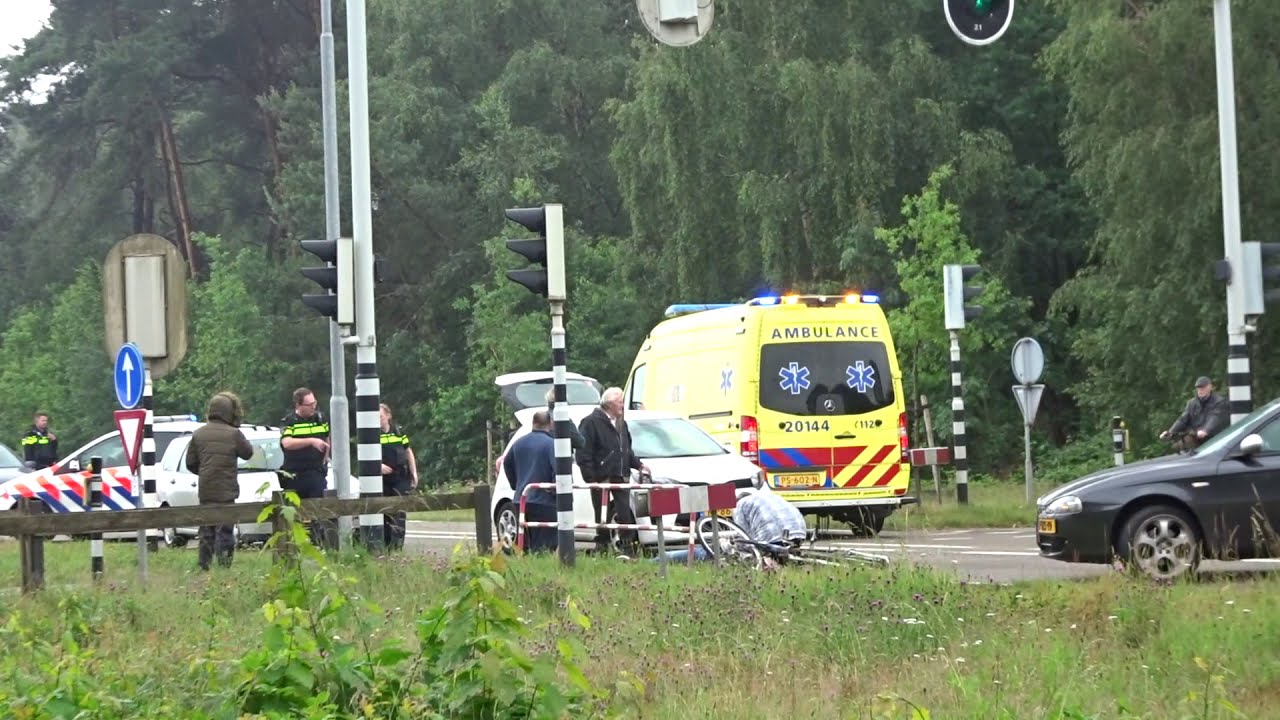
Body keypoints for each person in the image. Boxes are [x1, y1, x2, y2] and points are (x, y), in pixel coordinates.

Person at [185, 392, 254, 571]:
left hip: (206, 489)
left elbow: (190, 463)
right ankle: (224, 566)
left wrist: (204, 472)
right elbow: (248, 453)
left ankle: (204, 566)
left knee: (206, 530)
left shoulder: (198, 434)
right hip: (227, 489)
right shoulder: (234, 434)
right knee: (225, 530)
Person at [576, 387, 647, 554]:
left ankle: (628, 546)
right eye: (619, 402)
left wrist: (638, 465)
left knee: (624, 512)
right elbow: (583, 452)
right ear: (608, 404)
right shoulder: (590, 422)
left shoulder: (622, 423)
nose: (623, 405)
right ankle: (602, 545)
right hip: (601, 477)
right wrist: (590, 478)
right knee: (602, 513)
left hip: (620, 475)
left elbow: (626, 450)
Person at [279, 387, 334, 548]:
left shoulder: (321, 418)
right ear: (298, 405)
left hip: (315, 472)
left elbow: (326, 439)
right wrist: (310, 441)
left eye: (314, 403)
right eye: (309, 404)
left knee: (316, 510)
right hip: (294, 474)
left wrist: (325, 460)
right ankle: (295, 546)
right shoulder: (289, 421)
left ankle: (318, 544)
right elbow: (287, 443)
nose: (313, 407)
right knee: (294, 513)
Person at [504, 410, 557, 554]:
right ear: (550, 424)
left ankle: (528, 564)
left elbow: (506, 463)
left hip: (522, 499)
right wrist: (554, 489)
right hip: (544, 500)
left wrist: (515, 484)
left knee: (526, 541)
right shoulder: (551, 444)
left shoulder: (518, 443)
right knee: (545, 545)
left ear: (533, 423)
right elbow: (557, 469)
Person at [379, 403, 418, 551]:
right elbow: (366, 456)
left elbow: (408, 452)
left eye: (381, 417)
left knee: (400, 513)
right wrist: (378, 466)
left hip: (400, 477)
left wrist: (414, 473)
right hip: (383, 480)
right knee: (385, 512)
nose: (378, 420)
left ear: (388, 416)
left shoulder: (398, 432)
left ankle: (397, 547)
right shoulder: (372, 435)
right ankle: (386, 546)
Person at [1160, 376, 1228, 449]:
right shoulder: (1192, 403)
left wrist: (1206, 430)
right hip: (1195, 436)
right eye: (1198, 389)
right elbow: (1183, 419)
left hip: (1214, 438)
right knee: (1180, 445)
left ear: (1210, 387)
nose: (1200, 391)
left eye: (1202, 388)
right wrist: (1170, 432)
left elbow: (1214, 418)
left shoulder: (1219, 402)